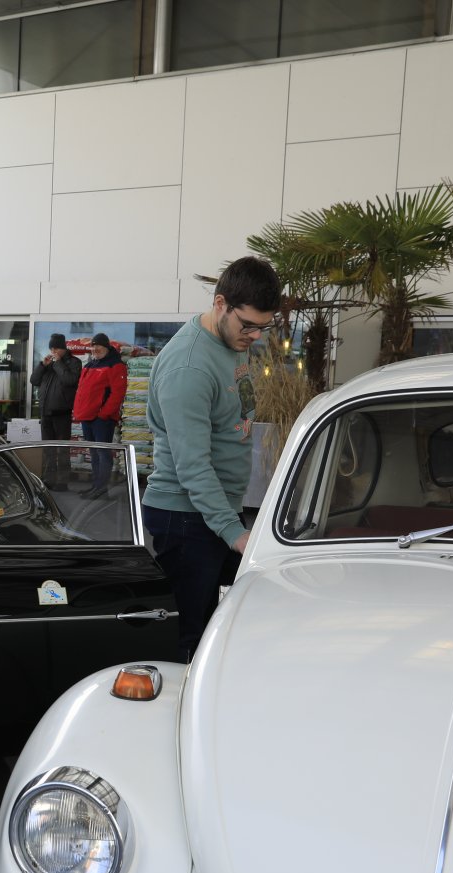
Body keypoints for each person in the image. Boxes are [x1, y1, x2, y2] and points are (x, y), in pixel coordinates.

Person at [142, 254, 281, 661]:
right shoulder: (188, 368)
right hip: (186, 517)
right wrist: (233, 531)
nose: (254, 335)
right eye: (248, 324)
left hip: (214, 510)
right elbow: (192, 466)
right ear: (220, 304)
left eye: (263, 327)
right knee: (192, 640)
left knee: (221, 629)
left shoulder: (231, 341)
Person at [73, 333, 128, 499]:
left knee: (102, 453)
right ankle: (96, 487)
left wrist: (104, 414)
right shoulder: (90, 365)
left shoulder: (116, 365)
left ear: (106, 347)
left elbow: (118, 393)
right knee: (94, 453)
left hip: (101, 419)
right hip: (88, 416)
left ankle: (102, 489)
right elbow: (82, 391)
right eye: (93, 346)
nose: (94, 349)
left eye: (98, 346)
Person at [32, 332, 82, 446]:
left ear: (63, 348)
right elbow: (34, 381)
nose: (53, 351)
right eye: (51, 349)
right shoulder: (49, 364)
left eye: (56, 348)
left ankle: (62, 460)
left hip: (62, 414)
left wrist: (59, 362)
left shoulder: (74, 362)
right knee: (47, 448)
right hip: (45, 413)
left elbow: (70, 380)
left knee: (61, 448)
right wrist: (42, 366)